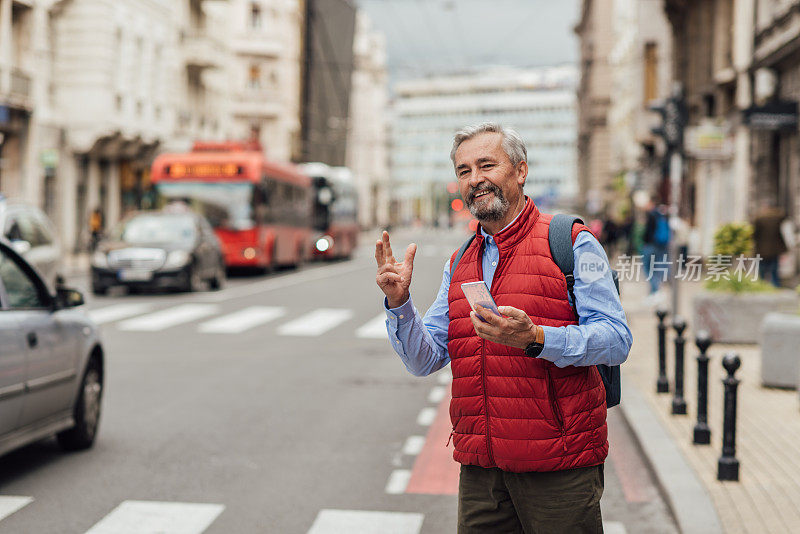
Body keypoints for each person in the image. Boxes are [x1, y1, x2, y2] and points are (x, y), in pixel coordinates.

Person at [375, 123, 632, 533]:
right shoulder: (459, 262)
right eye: (463, 171)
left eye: (486, 165)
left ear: (520, 171)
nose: (474, 179)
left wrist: (537, 338)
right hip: (483, 471)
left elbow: (616, 340)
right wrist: (399, 304)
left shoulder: (572, 243)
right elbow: (425, 360)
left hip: (558, 465)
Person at [753, 199, 787, 288]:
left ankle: (761, 286)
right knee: (774, 270)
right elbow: (784, 217)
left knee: (762, 270)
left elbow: (754, 234)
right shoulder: (777, 218)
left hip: (761, 249)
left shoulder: (759, 219)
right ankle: (776, 285)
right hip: (775, 248)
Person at [641, 199, 670, 296]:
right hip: (660, 245)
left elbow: (647, 232)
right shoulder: (662, 215)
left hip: (650, 245)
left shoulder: (651, 215)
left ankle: (655, 290)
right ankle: (654, 290)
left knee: (647, 268)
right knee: (656, 268)